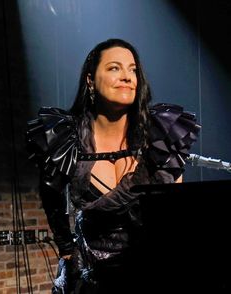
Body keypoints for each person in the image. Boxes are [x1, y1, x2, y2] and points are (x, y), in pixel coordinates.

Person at [26, 38, 200, 293]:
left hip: (150, 274)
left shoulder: (161, 136)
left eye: (133, 69)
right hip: (91, 277)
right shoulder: (65, 136)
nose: (127, 76)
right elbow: (51, 196)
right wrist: (66, 250)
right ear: (90, 80)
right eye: (114, 68)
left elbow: (174, 220)